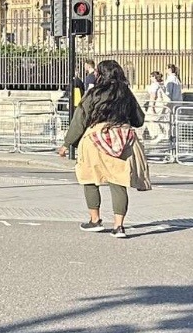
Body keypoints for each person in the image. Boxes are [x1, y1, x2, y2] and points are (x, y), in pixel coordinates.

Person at [58, 57, 148, 238]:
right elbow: (139, 120)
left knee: (89, 178)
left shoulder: (94, 93)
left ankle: (95, 220)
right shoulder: (126, 93)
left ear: (99, 74)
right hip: (122, 139)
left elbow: (79, 120)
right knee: (118, 182)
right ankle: (119, 226)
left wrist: (67, 143)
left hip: (95, 139)